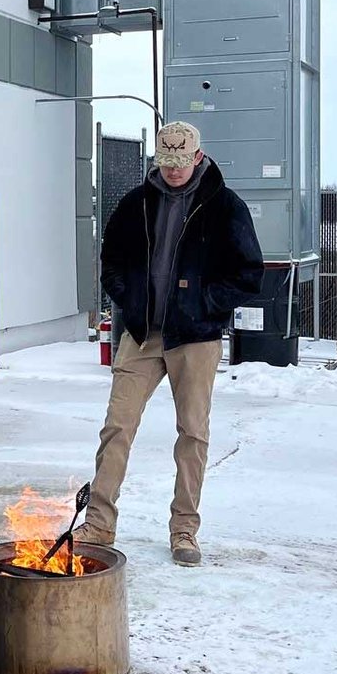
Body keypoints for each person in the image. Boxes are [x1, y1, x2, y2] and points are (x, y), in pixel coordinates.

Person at [72, 121, 263, 566]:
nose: (174, 170)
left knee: (192, 434)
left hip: (194, 338)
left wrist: (204, 304)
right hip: (142, 334)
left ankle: (184, 531)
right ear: (158, 160)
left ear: (198, 156)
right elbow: (111, 261)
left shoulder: (225, 207)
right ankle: (99, 523)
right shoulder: (136, 203)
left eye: (181, 162)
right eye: (166, 162)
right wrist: (129, 299)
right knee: (117, 426)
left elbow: (249, 273)